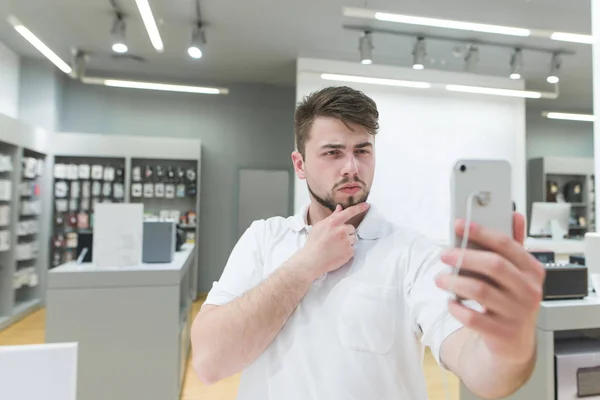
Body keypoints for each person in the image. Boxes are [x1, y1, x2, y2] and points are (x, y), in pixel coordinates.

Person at [190, 86, 545, 400]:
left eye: (362, 150)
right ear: (300, 164)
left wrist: (511, 343)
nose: (351, 167)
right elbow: (209, 361)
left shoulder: (412, 253)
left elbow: (482, 370)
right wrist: (306, 264)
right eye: (332, 152)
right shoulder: (264, 238)